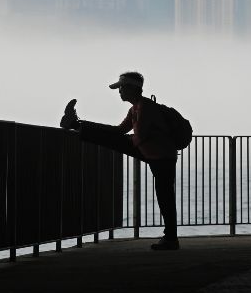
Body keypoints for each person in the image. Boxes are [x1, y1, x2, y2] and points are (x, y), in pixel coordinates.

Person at [60, 72, 180, 250]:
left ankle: (171, 239)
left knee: (165, 197)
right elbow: (119, 131)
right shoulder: (135, 108)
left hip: (163, 157)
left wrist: (125, 141)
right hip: (153, 154)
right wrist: (92, 128)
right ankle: (76, 123)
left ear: (132, 88)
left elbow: (140, 136)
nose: (119, 92)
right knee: (164, 196)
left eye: (122, 88)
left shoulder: (146, 108)